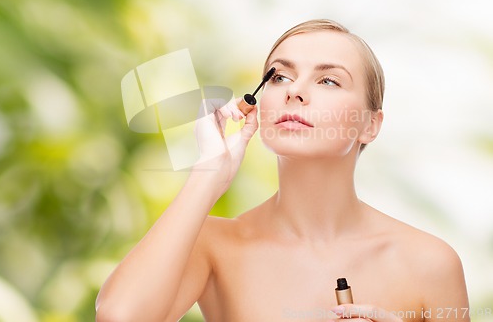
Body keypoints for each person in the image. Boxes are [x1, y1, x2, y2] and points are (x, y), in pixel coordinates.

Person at [95, 19, 470, 322]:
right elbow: (119, 317)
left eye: (328, 80)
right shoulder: (214, 245)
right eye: (280, 76)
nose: (295, 92)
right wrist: (207, 175)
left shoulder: (429, 263)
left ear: (371, 124)